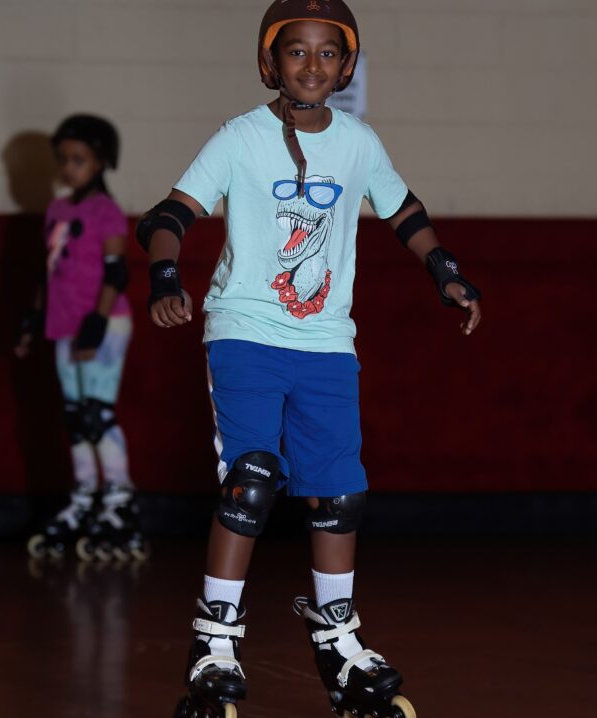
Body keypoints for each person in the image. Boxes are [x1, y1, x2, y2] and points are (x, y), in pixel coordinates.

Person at [137, 2, 480, 716]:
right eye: (297, 52)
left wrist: (444, 269)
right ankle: (216, 640)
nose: (313, 65)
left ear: (347, 67)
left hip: (326, 340)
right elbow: (168, 216)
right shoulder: (240, 138)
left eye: (330, 54)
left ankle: (337, 638)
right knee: (251, 482)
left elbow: (404, 210)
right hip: (245, 333)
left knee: (337, 494)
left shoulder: (358, 143)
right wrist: (166, 277)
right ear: (270, 61)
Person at [18, 114, 146, 563]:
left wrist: (98, 317)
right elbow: (48, 270)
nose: (69, 167)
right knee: (75, 416)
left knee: (97, 413)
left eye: (79, 159)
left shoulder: (104, 212)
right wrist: (33, 320)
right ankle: (84, 497)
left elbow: (117, 269)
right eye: (63, 159)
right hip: (62, 323)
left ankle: (118, 503)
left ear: (101, 162)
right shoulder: (57, 211)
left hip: (103, 323)